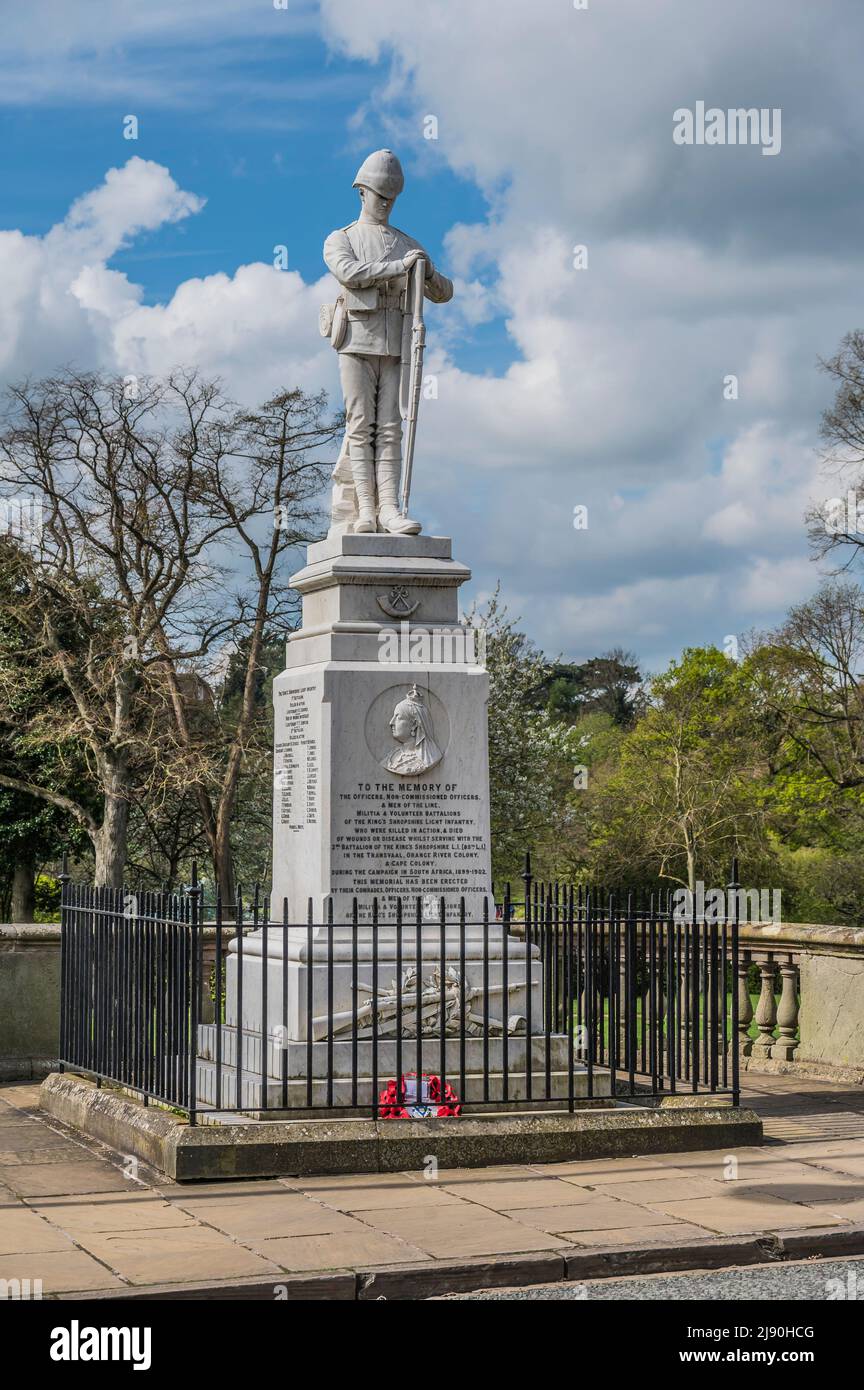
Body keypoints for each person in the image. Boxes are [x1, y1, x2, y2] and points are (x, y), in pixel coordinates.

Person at [322, 149, 453, 536]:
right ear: (362, 192)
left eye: (391, 199)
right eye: (380, 197)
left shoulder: (407, 243)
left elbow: (444, 292)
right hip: (356, 339)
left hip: (397, 342)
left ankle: (391, 509)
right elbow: (350, 272)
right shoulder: (340, 238)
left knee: (391, 427)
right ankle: (365, 509)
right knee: (361, 426)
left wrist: (426, 273)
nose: (385, 205)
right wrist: (400, 268)